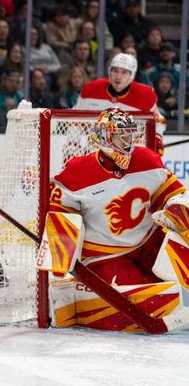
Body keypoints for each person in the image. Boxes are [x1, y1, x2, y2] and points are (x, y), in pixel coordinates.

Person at [49, 108, 186, 288]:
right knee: (137, 296)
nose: (126, 142)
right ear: (102, 138)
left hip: (148, 242)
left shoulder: (148, 160)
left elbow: (172, 194)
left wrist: (175, 205)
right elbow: (60, 212)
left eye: (128, 135)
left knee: (179, 278)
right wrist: (62, 253)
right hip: (104, 255)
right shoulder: (77, 172)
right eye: (119, 137)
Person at [75, 53, 164, 151]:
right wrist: (73, 143)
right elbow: (73, 121)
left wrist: (157, 139)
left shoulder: (145, 95)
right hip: (96, 152)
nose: (118, 76)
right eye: (115, 71)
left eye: (124, 72)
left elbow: (159, 121)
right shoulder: (90, 91)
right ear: (109, 71)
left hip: (132, 153)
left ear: (132, 75)